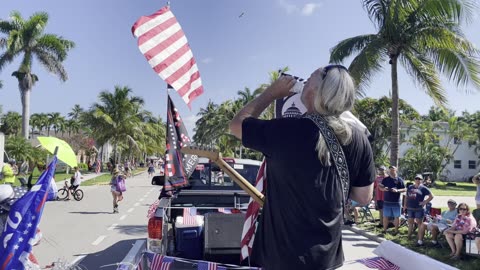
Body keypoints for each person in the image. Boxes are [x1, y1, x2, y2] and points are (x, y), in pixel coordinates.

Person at [229, 65, 375, 270]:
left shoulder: (286, 131)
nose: (304, 82)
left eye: (310, 78)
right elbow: (364, 197)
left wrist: (271, 93)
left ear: (317, 91)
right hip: (327, 261)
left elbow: (236, 125)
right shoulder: (359, 139)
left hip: (281, 259)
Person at [379, 165, 406, 235]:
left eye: (393, 170)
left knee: (397, 217)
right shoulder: (385, 179)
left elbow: (405, 189)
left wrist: (397, 190)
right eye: (390, 170)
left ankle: (396, 231)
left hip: (396, 202)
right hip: (387, 201)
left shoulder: (399, 179)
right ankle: (384, 230)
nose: (391, 171)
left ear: (396, 170)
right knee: (385, 216)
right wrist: (383, 189)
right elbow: (380, 187)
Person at [405, 174, 434, 239]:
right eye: (416, 179)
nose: (418, 180)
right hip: (410, 207)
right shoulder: (410, 187)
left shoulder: (423, 188)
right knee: (410, 222)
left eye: (419, 179)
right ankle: (409, 236)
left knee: (419, 223)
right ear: (414, 180)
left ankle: (419, 237)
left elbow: (431, 196)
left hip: (419, 208)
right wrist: (405, 205)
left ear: (422, 180)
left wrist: (424, 202)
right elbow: (406, 197)